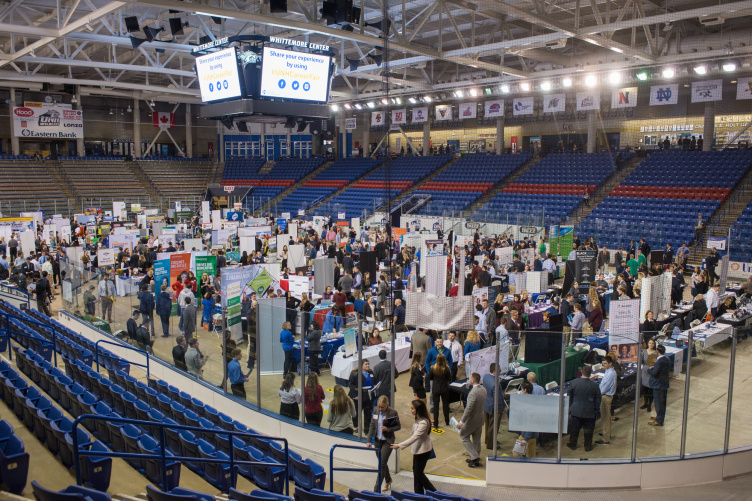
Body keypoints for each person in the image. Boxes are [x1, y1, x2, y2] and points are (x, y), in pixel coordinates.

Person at [390, 400, 435, 495]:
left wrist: (399, 445)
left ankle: (433, 492)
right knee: (416, 471)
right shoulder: (418, 418)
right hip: (418, 450)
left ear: (418, 410)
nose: (410, 410)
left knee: (419, 473)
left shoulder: (423, 423)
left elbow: (414, 437)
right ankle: (419, 494)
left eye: (412, 408)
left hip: (423, 451)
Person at [367, 395, 401, 492]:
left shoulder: (393, 413)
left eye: (382, 407)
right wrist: (369, 440)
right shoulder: (375, 410)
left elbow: (398, 426)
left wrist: (388, 429)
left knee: (381, 465)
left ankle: (375, 490)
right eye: (379, 407)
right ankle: (388, 480)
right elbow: (372, 425)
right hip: (377, 441)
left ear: (387, 405)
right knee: (382, 462)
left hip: (387, 441)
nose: (380, 409)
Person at [566, 365, 601, 452]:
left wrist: (570, 407)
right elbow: (598, 399)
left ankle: (573, 444)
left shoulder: (574, 383)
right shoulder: (595, 386)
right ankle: (587, 446)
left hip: (576, 410)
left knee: (574, 429)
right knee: (588, 430)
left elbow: (569, 396)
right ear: (590, 374)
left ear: (581, 372)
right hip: (589, 411)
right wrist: (596, 410)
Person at [456, 372, 486, 468]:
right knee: (476, 438)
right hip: (480, 418)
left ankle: (474, 456)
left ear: (472, 381)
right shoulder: (483, 389)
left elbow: (469, 409)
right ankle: (475, 456)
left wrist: (461, 421)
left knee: (463, 436)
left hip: (472, 420)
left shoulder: (473, 393)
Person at [483, 363, 506, 450]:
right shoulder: (496, 384)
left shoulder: (485, 377)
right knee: (493, 427)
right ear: (494, 371)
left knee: (488, 425)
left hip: (487, 405)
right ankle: (491, 445)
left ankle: (487, 440)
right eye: (499, 370)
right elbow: (499, 399)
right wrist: (501, 409)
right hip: (494, 408)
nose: (500, 371)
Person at [596, 354, 617, 446]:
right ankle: (606, 433)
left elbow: (603, 388)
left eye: (605, 363)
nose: (603, 365)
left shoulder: (610, 374)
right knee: (605, 417)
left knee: (605, 418)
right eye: (602, 363)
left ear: (610, 363)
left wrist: (597, 395)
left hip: (605, 397)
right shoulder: (609, 371)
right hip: (606, 396)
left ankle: (606, 439)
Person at [348, 360, 375, 430]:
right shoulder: (355, 373)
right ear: (361, 365)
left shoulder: (371, 372)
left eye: (368, 364)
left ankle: (367, 429)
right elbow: (351, 385)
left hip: (369, 396)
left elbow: (374, 382)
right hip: (359, 396)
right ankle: (356, 426)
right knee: (356, 413)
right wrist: (355, 396)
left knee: (368, 413)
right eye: (366, 364)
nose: (367, 366)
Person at [648, 344, 670, 427]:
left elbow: (654, 373)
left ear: (657, 351)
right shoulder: (667, 359)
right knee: (663, 403)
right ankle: (660, 417)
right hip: (664, 384)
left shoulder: (659, 362)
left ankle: (659, 421)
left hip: (658, 385)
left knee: (658, 403)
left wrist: (649, 370)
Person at [428, 353, 452, 428]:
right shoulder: (447, 368)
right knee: (445, 405)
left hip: (435, 389)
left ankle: (435, 424)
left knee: (436, 407)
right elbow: (449, 379)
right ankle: (447, 421)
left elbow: (430, 378)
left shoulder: (432, 368)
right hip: (444, 388)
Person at [641, 338, 658, 412]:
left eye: (652, 343)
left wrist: (656, 363)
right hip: (645, 371)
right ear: (648, 344)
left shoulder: (656, 353)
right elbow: (641, 361)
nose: (651, 345)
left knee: (650, 389)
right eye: (650, 343)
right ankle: (645, 403)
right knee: (645, 389)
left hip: (651, 371)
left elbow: (658, 363)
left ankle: (649, 405)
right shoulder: (644, 352)